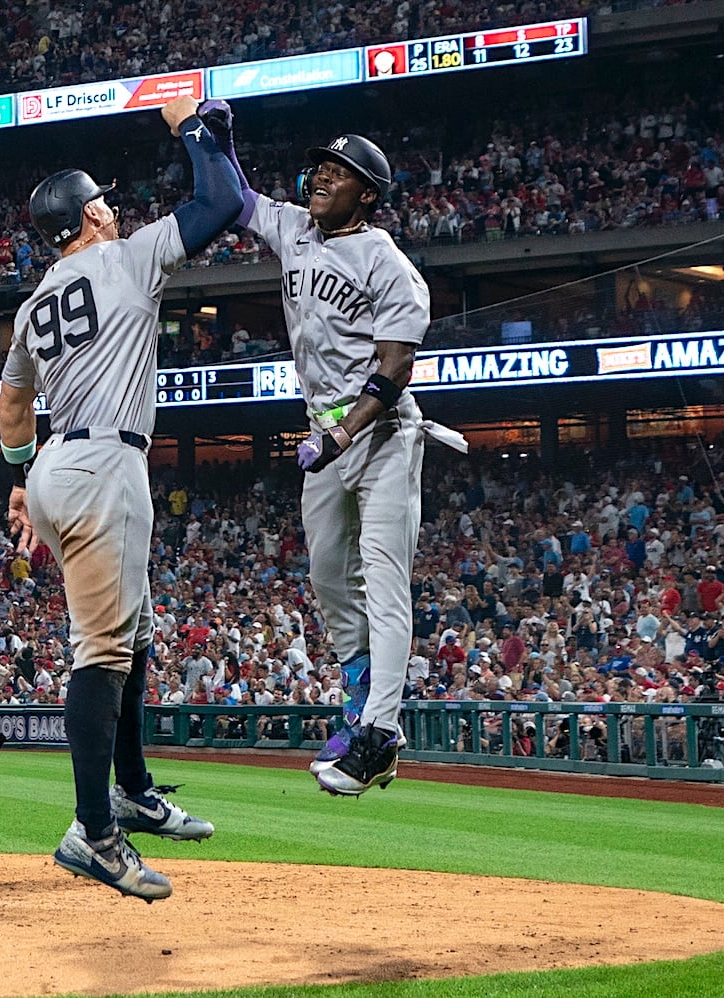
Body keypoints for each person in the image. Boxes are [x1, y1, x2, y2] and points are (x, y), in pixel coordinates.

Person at [0, 94, 236, 901]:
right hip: (105, 464)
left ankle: (131, 789)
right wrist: (193, 129)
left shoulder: (34, 304)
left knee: (131, 637)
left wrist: (21, 478)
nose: (113, 205)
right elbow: (220, 203)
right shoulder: (129, 257)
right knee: (101, 652)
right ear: (92, 214)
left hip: (57, 465)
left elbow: (13, 404)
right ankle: (93, 831)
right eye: (103, 199)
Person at [204, 99, 465, 796]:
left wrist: (343, 433)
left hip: (382, 435)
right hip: (325, 433)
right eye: (319, 165)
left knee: (383, 578)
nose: (321, 175)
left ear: (367, 194)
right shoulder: (295, 228)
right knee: (326, 574)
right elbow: (235, 199)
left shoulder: (388, 263)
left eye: (338, 171)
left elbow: (395, 367)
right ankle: (359, 690)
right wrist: (220, 142)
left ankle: (380, 733)